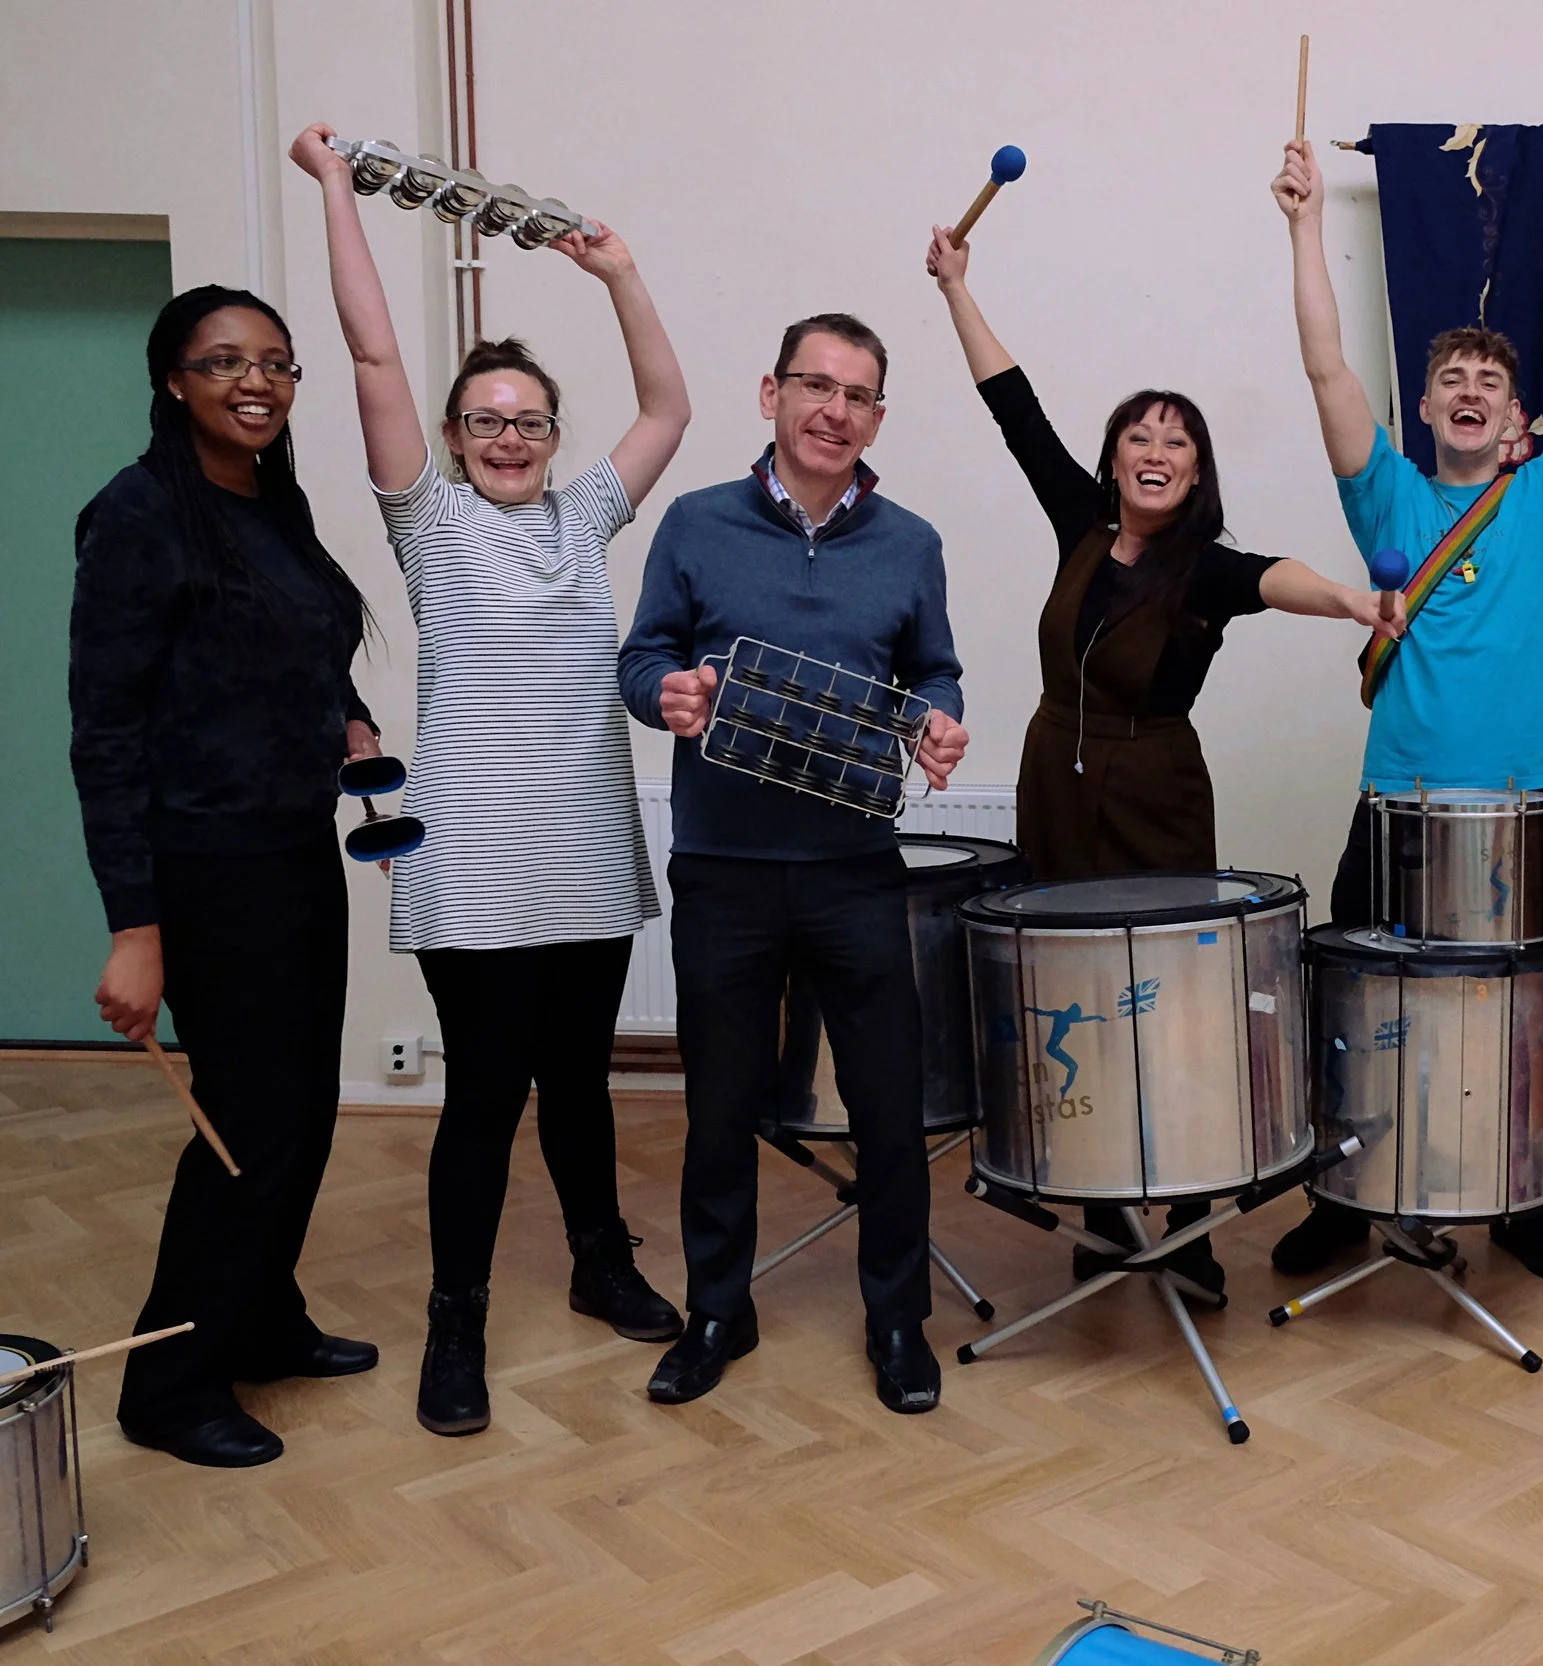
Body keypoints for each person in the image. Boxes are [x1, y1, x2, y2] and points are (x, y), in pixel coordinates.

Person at [291, 124, 693, 1439]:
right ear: (455, 440)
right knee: (486, 1091)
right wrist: (340, 191)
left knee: (580, 1083)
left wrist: (619, 272)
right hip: (470, 857)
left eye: (527, 420)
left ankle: (598, 1258)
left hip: (583, 847)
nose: (507, 435)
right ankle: (454, 1320)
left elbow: (670, 411)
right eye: (485, 420)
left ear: (551, 434)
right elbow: (370, 354)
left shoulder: (586, 515)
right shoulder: (433, 518)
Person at [922, 220, 1398, 1289]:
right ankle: (1100, 1210)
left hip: (1159, 795)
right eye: (1140, 432)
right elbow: (1014, 408)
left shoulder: (1208, 568)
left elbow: (1283, 576)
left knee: (1172, 1003)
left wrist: (1354, 602)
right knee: (1070, 995)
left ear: (1195, 473)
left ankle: (1184, 1216)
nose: (1155, 447)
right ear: (1114, 458)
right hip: (1058, 777)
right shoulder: (1079, 522)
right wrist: (957, 286)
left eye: (1177, 439)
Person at [1265, 137, 1543, 1286]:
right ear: (1426, 403)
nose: (1468, 393)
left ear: (1516, 419)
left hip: (1513, 799)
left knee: (1516, 1018)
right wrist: (1305, 226)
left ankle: (1518, 1198)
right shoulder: (1389, 494)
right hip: (1394, 796)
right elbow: (1325, 374)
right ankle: (1341, 1197)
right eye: (1450, 378)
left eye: (1489, 383)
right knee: (1356, 998)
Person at [620, 312, 970, 1414]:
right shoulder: (693, 521)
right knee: (721, 1106)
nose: (834, 411)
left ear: (877, 417)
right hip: (723, 866)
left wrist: (941, 725)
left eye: (857, 396)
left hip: (855, 866)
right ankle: (719, 1308)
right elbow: (643, 658)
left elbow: (935, 673)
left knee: (887, 1110)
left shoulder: (909, 541)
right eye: (815, 386)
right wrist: (660, 694)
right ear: (770, 391)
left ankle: (897, 1319)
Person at [69, 285, 380, 1468]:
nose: (256, 382)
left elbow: (293, 655)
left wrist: (345, 718)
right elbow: (105, 734)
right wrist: (132, 927)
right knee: (244, 1122)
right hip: (203, 871)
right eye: (224, 363)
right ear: (173, 381)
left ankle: (259, 1315)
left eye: (276, 364)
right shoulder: (139, 514)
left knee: (301, 1111)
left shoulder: (271, 503)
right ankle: (169, 1379)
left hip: (296, 849)